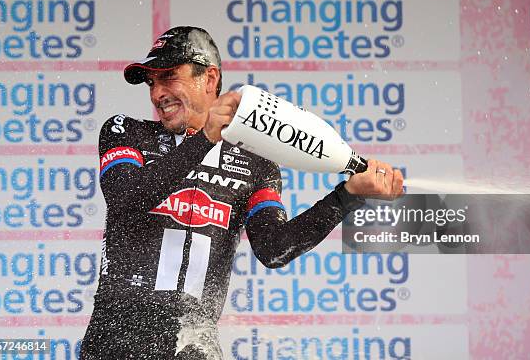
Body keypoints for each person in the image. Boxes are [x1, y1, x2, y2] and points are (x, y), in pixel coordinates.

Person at [79, 26, 404, 359]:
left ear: (208, 78)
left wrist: (347, 195)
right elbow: (126, 198)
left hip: (195, 348)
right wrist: (205, 138)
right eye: (151, 82)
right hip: (113, 343)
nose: (157, 93)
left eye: (168, 77)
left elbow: (275, 249)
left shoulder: (256, 164)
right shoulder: (125, 131)